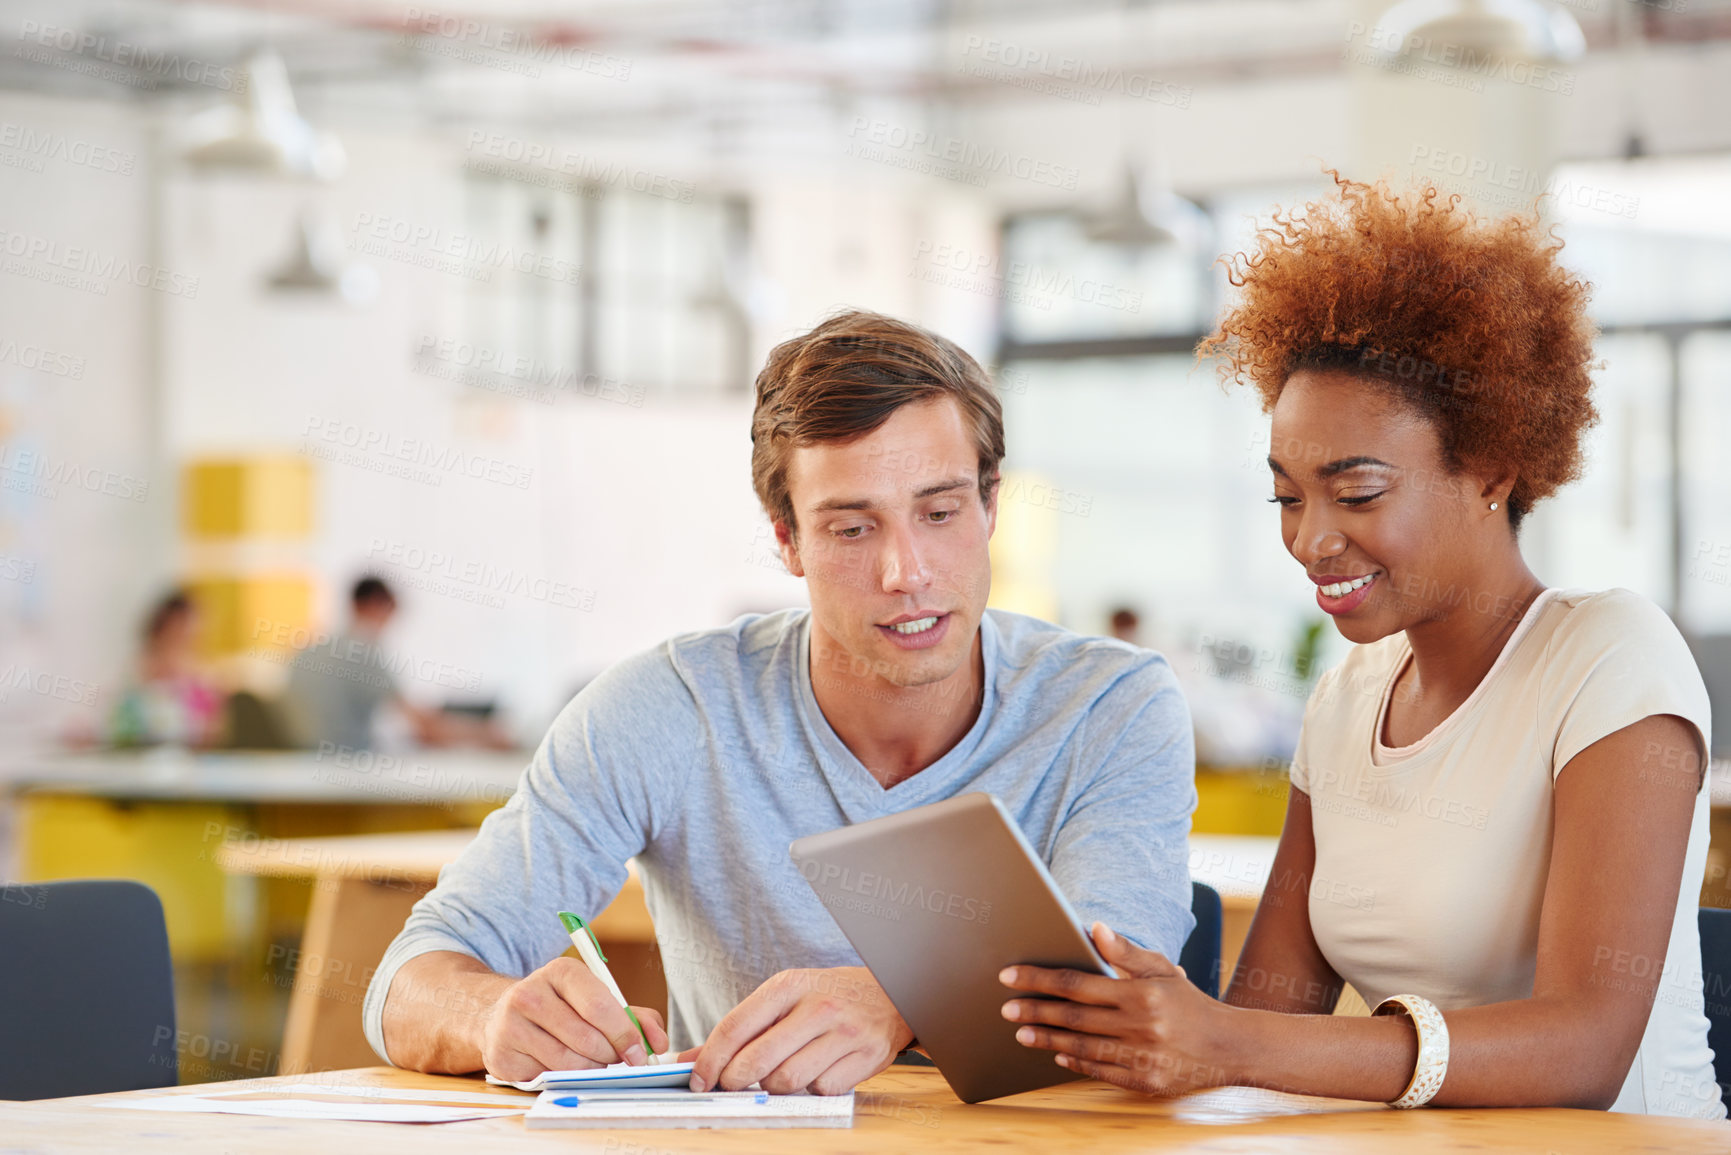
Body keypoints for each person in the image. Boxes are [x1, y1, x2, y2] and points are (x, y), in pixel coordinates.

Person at [999, 177, 1726, 1119]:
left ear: (1490, 470)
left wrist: (1230, 1041)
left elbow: (1583, 1046)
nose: (1309, 538)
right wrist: (1142, 1026)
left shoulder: (1608, 657)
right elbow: (1264, 1016)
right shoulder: (1345, 700)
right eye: (1287, 496)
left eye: (1357, 493)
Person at [364, 310, 1198, 1096]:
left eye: (939, 511)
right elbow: (414, 972)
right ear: (785, 538)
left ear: (989, 506)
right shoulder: (669, 708)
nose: (905, 571)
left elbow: (1115, 990)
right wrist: (488, 1015)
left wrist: (900, 996)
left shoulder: (1109, 706)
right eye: (850, 528)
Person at [280, 576, 506, 752]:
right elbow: (426, 729)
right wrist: (486, 736)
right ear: (376, 605)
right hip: (341, 764)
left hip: (303, 758)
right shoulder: (361, 649)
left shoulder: (314, 648)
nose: (388, 627)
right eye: (389, 616)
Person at [110, 589, 224, 747]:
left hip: (189, 755)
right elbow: (118, 720)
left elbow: (214, 726)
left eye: (186, 625)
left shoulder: (201, 675)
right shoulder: (138, 668)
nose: (181, 632)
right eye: (176, 624)